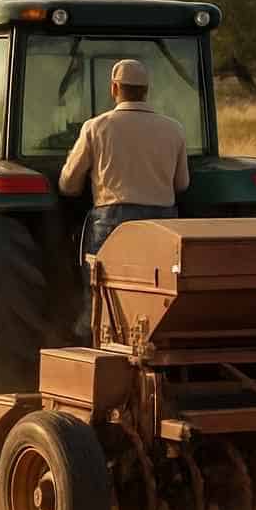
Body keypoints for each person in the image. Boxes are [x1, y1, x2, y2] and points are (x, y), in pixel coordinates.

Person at [59, 58, 190, 343]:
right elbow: (182, 184)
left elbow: (68, 185)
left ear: (114, 88)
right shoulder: (174, 129)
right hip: (162, 223)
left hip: (111, 222)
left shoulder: (96, 127)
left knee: (101, 296)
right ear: (146, 90)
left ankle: (98, 347)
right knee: (155, 296)